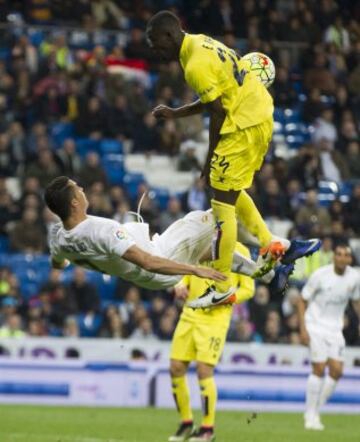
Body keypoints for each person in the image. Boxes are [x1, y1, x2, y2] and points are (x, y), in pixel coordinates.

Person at [146, 10, 320, 307]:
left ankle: (221, 282)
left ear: (170, 35)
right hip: (258, 113)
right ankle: (277, 245)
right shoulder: (200, 43)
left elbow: (217, 113)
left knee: (221, 203)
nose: (157, 52)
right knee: (230, 190)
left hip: (242, 124)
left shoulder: (194, 65)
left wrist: (210, 155)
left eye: (157, 45)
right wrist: (176, 113)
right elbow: (216, 96)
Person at [44, 176, 292, 299]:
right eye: (79, 188)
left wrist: (72, 261)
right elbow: (148, 261)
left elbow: (58, 263)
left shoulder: (59, 238)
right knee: (221, 209)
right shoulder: (101, 230)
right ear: (75, 202)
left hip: (148, 270)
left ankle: (272, 275)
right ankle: (275, 244)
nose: (83, 189)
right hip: (158, 260)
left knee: (209, 248)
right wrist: (193, 271)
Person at [169, 242, 254, 442]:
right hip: (190, 311)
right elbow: (188, 272)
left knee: (204, 370)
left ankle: (207, 428)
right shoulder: (201, 242)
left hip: (215, 319)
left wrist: (226, 298)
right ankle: (187, 423)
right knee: (175, 367)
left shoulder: (240, 251)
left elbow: (248, 289)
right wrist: (179, 284)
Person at [297, 244, 360, 431]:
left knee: (337, 371)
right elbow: (302, 299)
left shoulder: (355, 277)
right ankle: (310, 417)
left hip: (335, 328)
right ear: (334, 257)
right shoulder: (320, 275)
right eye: (339, 254)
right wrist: (302, 329)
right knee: (319, 367)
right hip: (314, 325)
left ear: (350, 259)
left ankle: (315, 407)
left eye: (346, 255)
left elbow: (356, 301)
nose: (342, 258)